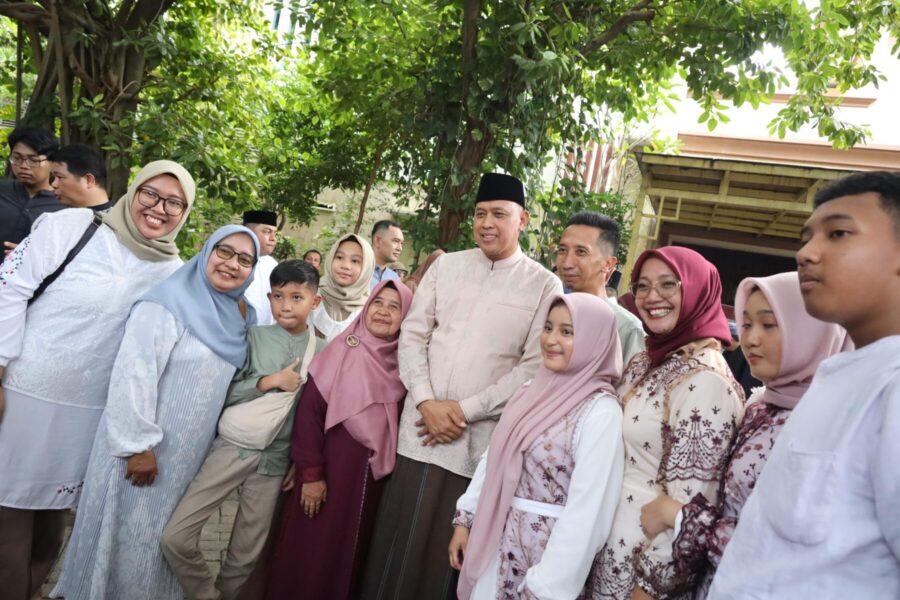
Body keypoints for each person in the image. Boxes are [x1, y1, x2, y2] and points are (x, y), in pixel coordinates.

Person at [360, 172, 563, 600]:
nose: (487, 223)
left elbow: (532, 367)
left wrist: (461, 412)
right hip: (419, 433)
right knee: (393, 549)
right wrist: (426, 402)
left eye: (499, 214)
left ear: (523, 219)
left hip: (475, 447)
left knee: (443, 562)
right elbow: (413, 336)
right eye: (480, 213)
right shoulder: (447, 266)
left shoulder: (543, 284)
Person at [0, 161, 195, 600]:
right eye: (150, 194)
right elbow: (10, 289)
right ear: (133, 191)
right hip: (22, 396)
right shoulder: (70, 227)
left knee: (51, 525)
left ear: (184, 213)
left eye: (174, 202)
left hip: (90, 416)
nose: (159, 208)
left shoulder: (173, 273)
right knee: (8, 516)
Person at [709, 171, 900, 598]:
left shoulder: (891, 386)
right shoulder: (839, 377)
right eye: (807, 237)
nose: (806, 253)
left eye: (838, 233)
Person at [51, 225, 259, 600]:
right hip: (142, 450)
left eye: (245, 259)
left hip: (186, 457)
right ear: (206, 251)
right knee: (123, 539)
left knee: (156, 541)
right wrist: (138, 446)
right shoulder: (165, 303)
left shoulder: (242, 316)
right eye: (225, 252)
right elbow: (133, 374)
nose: (232, 264)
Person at [637, 272, 849, 598]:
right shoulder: (760, 405)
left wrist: (678, 516)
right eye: (746, 324)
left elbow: (787, 555)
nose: (750, 339)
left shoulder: (829, 429)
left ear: (811, 331)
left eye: (769, 325)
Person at [585, 246, 744, 600]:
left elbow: (691, 508)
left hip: (639, 571)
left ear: (697, 291)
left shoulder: (707, 382)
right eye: (642, 286)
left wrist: (650, 588)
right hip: (602, 550)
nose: (652, 296)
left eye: (668, 284)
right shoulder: (645, 361)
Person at [161, 259, 325, 600]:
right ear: (269, 298)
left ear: (315, 301)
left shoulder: (324, 352)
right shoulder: (253, 337)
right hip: (232, 448)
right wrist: (267, 382)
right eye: (278, 296)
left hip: (275, 461)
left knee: (245, 556)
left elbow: (313, 417)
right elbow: (223, 393)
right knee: (176, 536)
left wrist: (301, 461)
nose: (286, 306)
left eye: (296, 297)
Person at [450, 293, 625, 599]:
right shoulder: (529, 391)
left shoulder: (601, 412)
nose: (551, 340)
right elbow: (494, 458)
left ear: (594, 341)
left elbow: (588, 513)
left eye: (567, 331)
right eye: (548, 328)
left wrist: (546, 586)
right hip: (494, 540)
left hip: (544, 558)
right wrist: (467, 518)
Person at [265, 280, 414, 600]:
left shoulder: (405, 366)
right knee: (311, 552)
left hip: (372, 486)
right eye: (378, 303)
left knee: (353, 557)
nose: (383, 312)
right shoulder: (342, 351)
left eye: (395, 307)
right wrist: (311, 474)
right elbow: (309, 415)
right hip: (327, 475)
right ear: (366, 306)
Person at [556, 211, 645, 365]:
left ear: (608, 264)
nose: (567, 263)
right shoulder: (551, 311)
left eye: (581, 252)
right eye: (562, 250)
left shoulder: (626, 328)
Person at [0, 127, 63, 257]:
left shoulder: (63, 206)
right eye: (17, 158)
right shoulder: (2, 191)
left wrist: (31, 255)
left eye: (33, 160)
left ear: (53, 163)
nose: (23, 166)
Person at [309, 233, 375, 342]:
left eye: (355, 261)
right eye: (339, 257)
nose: (345, 266)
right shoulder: (310, 296)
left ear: (366, 268)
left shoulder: (369, 311)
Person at [47, 144, 115, 211]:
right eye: (54, 177)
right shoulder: (57, 215)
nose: (54, 184)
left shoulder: (116, 217)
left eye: (59, 177)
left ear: (89, 180)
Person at [242, 210, 280, 326]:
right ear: (249, 233)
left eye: (275, 233)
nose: (273, 238)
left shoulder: (271, 264)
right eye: (267, 232)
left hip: (263, 334)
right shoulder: (232, 262)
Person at [370, 219, 404, 290]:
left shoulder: (395, 279)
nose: (400, 248)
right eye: (395, 241)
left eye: (401, 243)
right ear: (377, 240)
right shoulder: (358, 270)